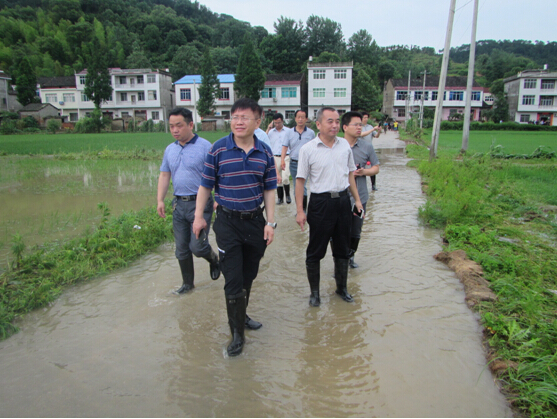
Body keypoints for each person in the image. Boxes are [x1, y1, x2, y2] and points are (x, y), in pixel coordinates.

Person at [192, 98, 277, 357]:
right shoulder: (218, 149)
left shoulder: (265, 152)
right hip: (227, 222)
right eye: (235, 117)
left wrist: (270, 223)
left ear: (258, 121)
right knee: (233, 280)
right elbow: (205, 186)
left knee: (248, 275)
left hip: (255, 222)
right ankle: (237, 334)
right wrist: (198, 217)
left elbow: (270, 190)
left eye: (245, 117)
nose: (239, 122)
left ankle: (242, 314)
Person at [295, 107, 363, 307]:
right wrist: (300, 210)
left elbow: (350, 175)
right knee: (315, 250)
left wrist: (357, 200)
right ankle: (315, 293)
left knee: (343, 249)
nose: (334, 125)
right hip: (320, 204)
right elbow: (300, 182)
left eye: (337, 121)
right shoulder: (308, 149)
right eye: (330, 121)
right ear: (318, 124)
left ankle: (341, 288)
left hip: (343, 202)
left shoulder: (344, 146)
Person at [157, 108, 220, 294]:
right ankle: (187, 284)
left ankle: (214, 259)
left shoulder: (205, 146)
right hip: (178, 204)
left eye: (179, 125)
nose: (175, 130)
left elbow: (215, 175)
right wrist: (160, 200)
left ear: (190, 125)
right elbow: (164, 174)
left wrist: (217, 198)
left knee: (198, 247)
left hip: (200, 204)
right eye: (171, 127)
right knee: (181, 249)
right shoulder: (170, 149)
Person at [339, 111, 380, 268]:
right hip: (340, 196)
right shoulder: (337, 146)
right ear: (345, 127)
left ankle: (351, 256)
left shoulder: (366, 146)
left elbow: (376, 168)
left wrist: (364, 172)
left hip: (360, 196)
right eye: (355, 125)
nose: (359, 128)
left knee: (356, 230)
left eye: (360, 125)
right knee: (340, 230)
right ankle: (341, 260)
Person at [281, 110, 315, 212]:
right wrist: (282, 159)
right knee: (297, 186)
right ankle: (299, 209)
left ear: (306, 119)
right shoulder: (289, 132)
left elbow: (314, 148)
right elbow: (285, 147)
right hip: (294, 163)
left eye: (302, 117)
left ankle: (303, 209)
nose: (300, 119)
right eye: (298, 117)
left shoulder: (311, 133)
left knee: (303, 186)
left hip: (307, 163)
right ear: (295, 119)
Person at [267, 112, 292, 204]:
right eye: (275, 123)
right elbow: (264, 140)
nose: (277, 125)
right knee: (278, 179)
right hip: (275, 157)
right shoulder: (270, 132)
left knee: (285, 177)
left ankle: (288, 195)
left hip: (286, 156)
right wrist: (268, 128)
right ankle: (280, 198)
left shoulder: (288, 131)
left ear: (282, 121)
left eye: (279, 122)